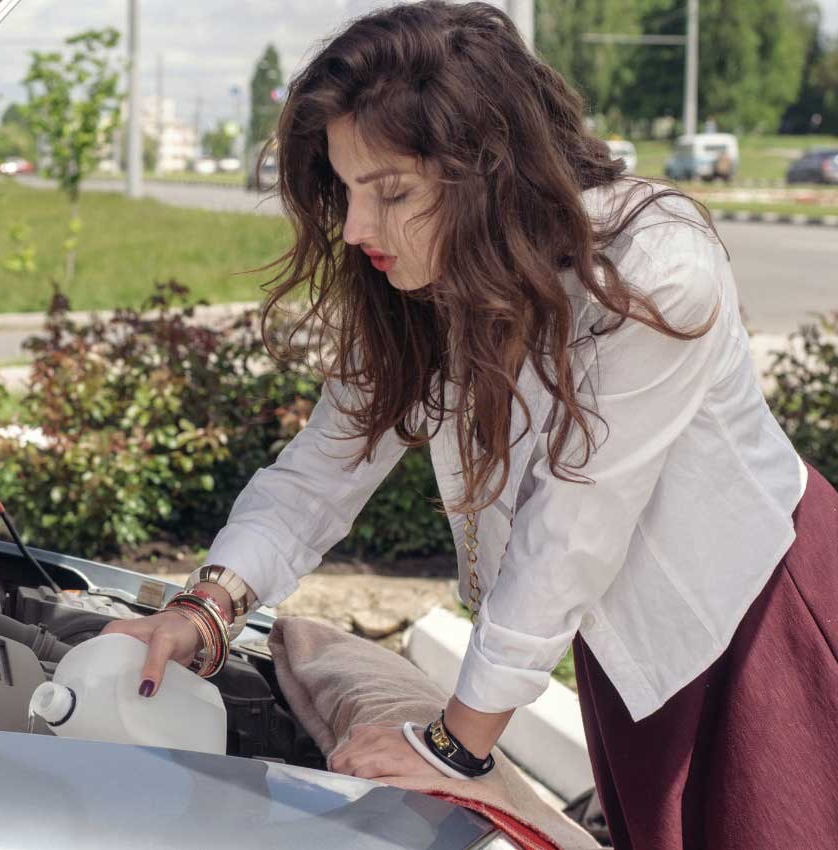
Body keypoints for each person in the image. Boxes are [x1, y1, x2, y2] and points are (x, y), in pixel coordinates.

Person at [103, 2, 837, 846]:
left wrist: (455, 745)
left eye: (392, 192)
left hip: (760, 622)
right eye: (346, 189)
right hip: (627, 648)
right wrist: (204, 609)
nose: (356, 229)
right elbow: (321, 471)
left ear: (492, 165)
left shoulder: (651, 265)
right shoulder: (424, 282)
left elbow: (574, 521)